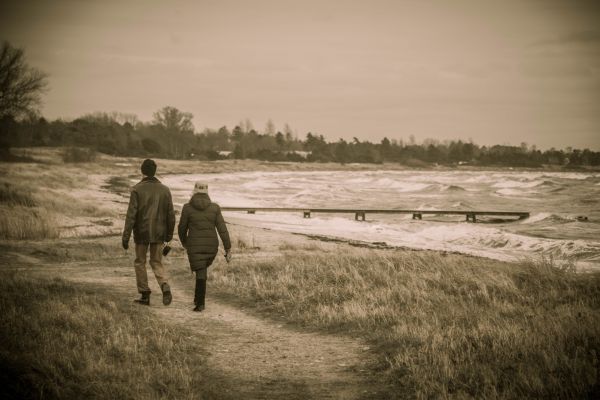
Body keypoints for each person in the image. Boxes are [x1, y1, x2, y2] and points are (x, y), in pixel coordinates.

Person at [122, 159, 176, 306]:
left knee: (140, 262)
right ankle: (164, 285)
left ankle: (145, 294)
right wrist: (169, 236)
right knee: (156, 261)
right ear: (155, 171)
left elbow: (131, 215)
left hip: (141, 233)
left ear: (142, 171)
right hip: (159, 233)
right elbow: (171, 215)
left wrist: (125, 237)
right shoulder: (165, 190)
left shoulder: (136, 189)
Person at [178, 182, 231, 312]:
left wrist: (185, 242)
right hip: (211, 246)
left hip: (194, 245)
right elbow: (222, 229)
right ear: (207, 193)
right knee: (202, 269)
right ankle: (198, 299)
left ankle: (200, 302)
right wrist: (228, 248)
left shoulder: (187, 208)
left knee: (200, 270)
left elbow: (181, 228)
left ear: (194, 192)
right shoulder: (215, 208)